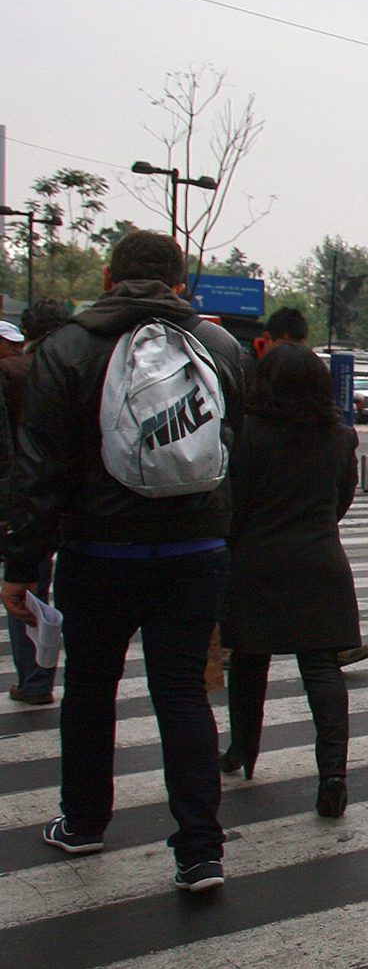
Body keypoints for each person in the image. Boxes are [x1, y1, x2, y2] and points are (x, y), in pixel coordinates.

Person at [1, 231, 245, 893]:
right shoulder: (219, 347)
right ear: (180, 282)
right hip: (195, 553)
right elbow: (235, 455)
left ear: (108, 275)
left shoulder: (68, 348)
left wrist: (21, 563)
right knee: (182, 693)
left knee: (89, 690)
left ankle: (83, 821)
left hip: (98, 552)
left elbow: (38, 468)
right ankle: (200, 850)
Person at [218, 344, 361, 818]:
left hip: (257, 560)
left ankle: (243, 749)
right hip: (320, 559)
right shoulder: (339, 437)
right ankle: (333, 775)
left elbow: (231, 503)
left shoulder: (246, 434)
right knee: (321, 669)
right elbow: (342, 498)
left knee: (249, 660)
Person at [3, 301, 68, 706]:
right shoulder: (83, 367)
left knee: (28, 590)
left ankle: (35, 679)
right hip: (80, 504)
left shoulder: (12, 374)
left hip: (28, 500)